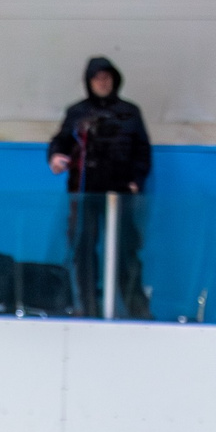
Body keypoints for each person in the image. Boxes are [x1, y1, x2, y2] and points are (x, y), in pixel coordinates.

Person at [48, 56, 153, 321]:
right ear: (89, 82)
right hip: (85, 192)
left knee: (124, 251)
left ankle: (134, 308)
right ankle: (88, 306)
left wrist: (135, 182)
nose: (102, 83)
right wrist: (56, 158)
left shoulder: (130, 112)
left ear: (114, 80)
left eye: (107, 78)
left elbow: (142, 151)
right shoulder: (77, 112)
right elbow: (60, 142)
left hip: (120, 194)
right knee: (83, 249)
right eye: (97, 78)